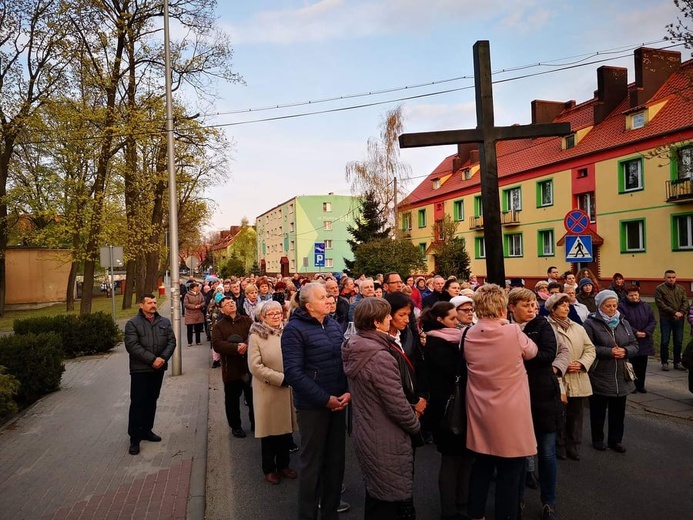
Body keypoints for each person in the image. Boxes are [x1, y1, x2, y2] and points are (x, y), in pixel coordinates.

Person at [342, 298, 421, 519]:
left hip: (368, 430)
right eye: (387, 316)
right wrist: (415, 425)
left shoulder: (359, 346)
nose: (390, 319)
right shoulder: (379, 356)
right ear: (377, 322)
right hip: (385, 435)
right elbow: (396, 404)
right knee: (388, 500)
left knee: (377, 493)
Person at [464, 284, 538, 520]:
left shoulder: (468, 334)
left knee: (482, 466)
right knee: (510, 471)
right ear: (502, 307)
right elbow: (533, 352)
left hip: (480, 409)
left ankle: (476, 514)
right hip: (511, 411)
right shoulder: (513, 332)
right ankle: (505, 515)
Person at [281, 283, 350, 520]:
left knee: (335, 463)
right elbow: (293, 373)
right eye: (322, 297)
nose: (328, 299)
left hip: (338, 403)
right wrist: (325, 399)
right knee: (312, 465)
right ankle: (307, 514)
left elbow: (345, 360)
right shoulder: (294, 330)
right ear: (309, 306)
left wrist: (347, 391)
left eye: (328, 295)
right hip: (313, 407)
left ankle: (330, 512)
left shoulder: (332, 324)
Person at [508, 288, 564, 520]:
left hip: (543, 396)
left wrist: (516, 357)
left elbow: (547, 355)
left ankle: (548, 502)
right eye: (526, 305)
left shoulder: (542, 325)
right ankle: (517, 499)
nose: (532, 309)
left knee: (547, 453)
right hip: (516, 399)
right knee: (519, 454)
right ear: (512, 307)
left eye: (534, 304)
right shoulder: (505, 327)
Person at [421, 301, 473, 520]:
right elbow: (455, 370)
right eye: (452, 318)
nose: (457, 321)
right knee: (451, 460)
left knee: (466, 458)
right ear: (440, 320)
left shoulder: (457, 338)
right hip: (448, 408)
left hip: (461, 405)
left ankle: (463, 503)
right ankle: (450, 510)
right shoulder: (436, 342)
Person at [248, 301, 298, 485]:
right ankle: (269, 469)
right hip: (268, 390)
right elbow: (254, 366)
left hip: (288, 389)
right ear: (263, 317)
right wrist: (280, 378)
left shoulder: (287, 331)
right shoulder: (256, 336)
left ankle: (284, 465)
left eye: (279, 312)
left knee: (285, 431)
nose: (277, 316)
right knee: (269, 433)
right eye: (272, 314)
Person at [584, 290, 639, 453]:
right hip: (600, 373)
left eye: (614, 305)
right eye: (608, 306)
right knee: (598, 410)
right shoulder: (590, 324)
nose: (612, 309)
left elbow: (635, 344)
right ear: (600, 306)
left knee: (618, 412)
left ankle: (615, 440)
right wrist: (609, 352)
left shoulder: (623, 322)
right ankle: (598, 439)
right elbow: (588, 347)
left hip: (621, 374)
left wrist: (626, 351)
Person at [545, 293, 595, 462]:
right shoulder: (547, 327)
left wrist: (581, 363)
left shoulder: (578, 327)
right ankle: (559, 446)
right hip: (558, 378)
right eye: (562, 305)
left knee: (576, 415)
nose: (567, 308)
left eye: (568, 305)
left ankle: (573, 446)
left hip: (578, 376)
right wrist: (562, 366)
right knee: (559, 414)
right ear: (553, 309)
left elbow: (590, 349)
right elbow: (546, 351)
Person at [124, 294, 176, 456]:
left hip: (158, 369)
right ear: (141, 305)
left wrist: (162, 359)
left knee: (152, 400)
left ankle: (147, 430)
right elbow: (132, 345)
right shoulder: (133, 323)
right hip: (140, 370)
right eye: (149, 303)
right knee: (138, 402)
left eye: (154, 302)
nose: (153, 305)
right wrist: (152, 359)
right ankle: (135, 438)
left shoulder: (164, 322)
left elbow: (171, 342)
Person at [212, 297, 255, 438]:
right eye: (227, 304)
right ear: (222, 309)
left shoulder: (247, 320)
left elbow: (255, 335)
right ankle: (235, 426)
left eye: (232, 302)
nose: (231, 304)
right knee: (232, 400)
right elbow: (217, 344)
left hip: (248, 367)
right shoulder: (219, 326)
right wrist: (236, 347)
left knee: (252, 398)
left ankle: (255, 423)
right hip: (231, 369)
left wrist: (247, 345)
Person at [618, 285, 657, 392]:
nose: (634, 297)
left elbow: (652, 321)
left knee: (642, 363)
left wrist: (646, 332)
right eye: (631, 295)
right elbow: (623, 322)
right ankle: (632, 385)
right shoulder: (622, 307)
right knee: (631, 364)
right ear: (626, 295)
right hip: (630, 339)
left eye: (636, 295)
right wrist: (635, 332)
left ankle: (641, 385)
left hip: (645, 339)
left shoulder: (646, 306)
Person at [654, 270, 689, 371]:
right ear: (664, 278)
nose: (671, 279)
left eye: (673, 277)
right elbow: (660, 304)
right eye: (669, 277)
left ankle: (677, 362)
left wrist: (681, 312)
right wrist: (674, 312)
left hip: (679, 319)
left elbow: (685, 301)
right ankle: (664, 362)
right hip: (666, 319)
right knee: (665, 341)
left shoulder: (681, 289)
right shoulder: (659, 289)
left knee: (678, 341)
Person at [184, 282, 205, 346]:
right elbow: (186, 304)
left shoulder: (200, 294)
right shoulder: (187, 295)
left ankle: (198, 341)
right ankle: (190, 342)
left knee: (197, 328)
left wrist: (200, 305)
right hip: (190, 314)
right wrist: (194, 306)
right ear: (192, 288)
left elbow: (203, 301)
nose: (197, 288)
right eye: (196, 287)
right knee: (189, 329)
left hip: (198, 313)